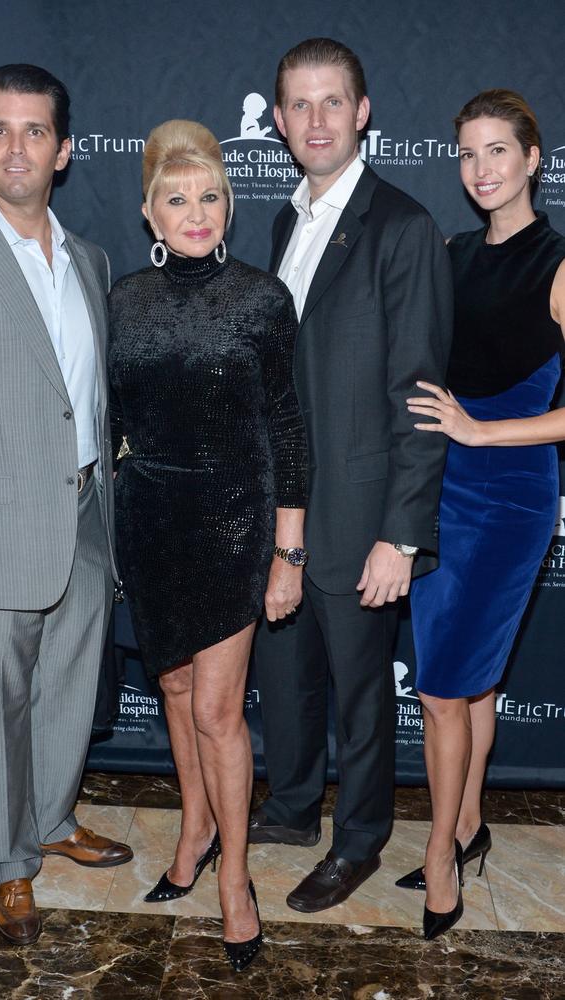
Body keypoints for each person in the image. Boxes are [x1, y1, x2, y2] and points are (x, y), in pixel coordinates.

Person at [0, 64, 132, 946]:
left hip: (85, 517)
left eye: (34, 131)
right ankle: (7, 865)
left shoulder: (93, 259)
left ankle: (49, 819)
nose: (17, 146)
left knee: (70, 691)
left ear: (64, 150)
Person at [250, 37, 453, 914]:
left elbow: (419, 395)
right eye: (299, 104)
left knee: (365, 699)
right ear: (281, 121)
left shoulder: (402, 226)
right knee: (288, 679)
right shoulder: (284, 220)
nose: (316, 120)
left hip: (364, 515)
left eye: (333, 101)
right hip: (286, 513)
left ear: (363, 113)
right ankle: (292, 807)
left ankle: (360, 839)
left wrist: (400, 534)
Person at [108, 119, 307, 971]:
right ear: (150, 213)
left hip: (235, 520)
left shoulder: (265, 298)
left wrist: (287, 548)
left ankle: (234, 876)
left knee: (220, 709)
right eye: (176, 199)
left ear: (230, 204)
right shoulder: (121, 300)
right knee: (177, 686)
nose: (195, 213)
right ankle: (192, 829)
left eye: (210, 196)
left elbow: (290, 428)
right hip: (152, 519)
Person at [398, 89, 565, 939]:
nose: (481, 169)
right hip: (439, 489)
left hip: (508, 499)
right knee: (470, 684)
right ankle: (465, 826)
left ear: (533, 159)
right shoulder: (453, 252)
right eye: (467, 153)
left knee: (441, 688)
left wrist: (479, 426)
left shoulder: (560, 262)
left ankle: (437, 857)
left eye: (497, 150)